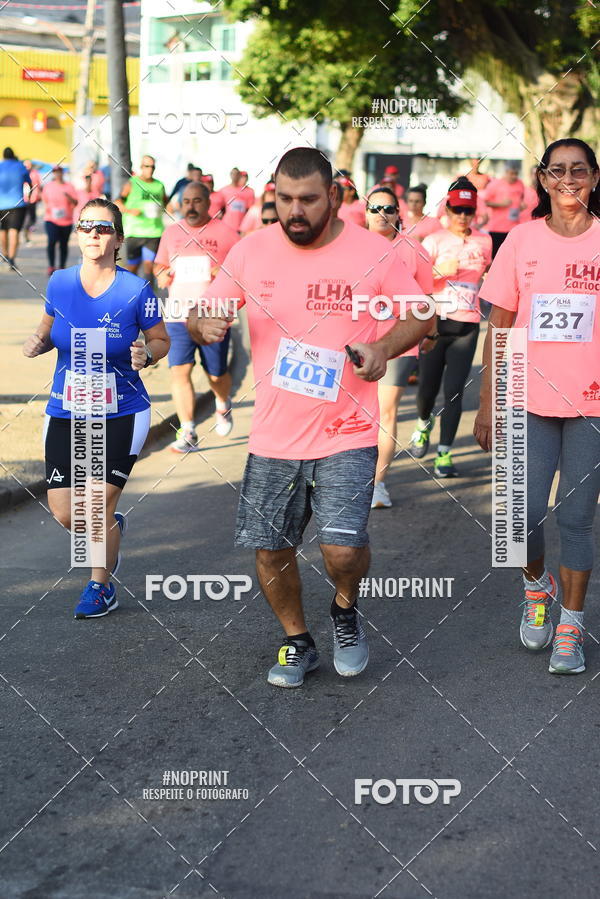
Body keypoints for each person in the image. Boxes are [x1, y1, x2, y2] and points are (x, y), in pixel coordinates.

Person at [188, 147, 429, 688]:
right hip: (275, 434)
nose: (295, 211)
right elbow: (206, 307)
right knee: (272, 547)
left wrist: (382, 347)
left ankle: (345, 610)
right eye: (285, 198)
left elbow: (421, 312)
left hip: (348, 427)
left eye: (308, 200)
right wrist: (204, 324)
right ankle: (297, 640)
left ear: (336, 198)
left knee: (343, 549)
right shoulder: (251, 252)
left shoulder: (374, 251)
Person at [474, 138, 600, 675]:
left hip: (593, 404)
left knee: (576, 519)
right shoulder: (521, 241)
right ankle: (535, 587)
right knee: (517, 519)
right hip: (528, 396)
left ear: (595, 177)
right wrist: (486, 401)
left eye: (579, 170)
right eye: (557, 171)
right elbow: (499, 324)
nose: (568, 179)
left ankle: (570, 626)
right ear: (543, 180)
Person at [22, 198, 169, 618]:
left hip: (122, 409)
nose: (93, 233)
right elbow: (50, 328)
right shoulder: (59, 282)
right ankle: (112, 530)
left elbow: (161, 339)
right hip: (68, 410)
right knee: (68, 513)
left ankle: (99, 586)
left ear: (119, 238)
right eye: (86, 226)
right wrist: (38, 342)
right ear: (77, 233)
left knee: (95, 505)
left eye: (103, 228)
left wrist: (148, 353)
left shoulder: (135, 288)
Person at [409, 177, 492, 477]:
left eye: (468, 211)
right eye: (457, 210)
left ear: (474, 211)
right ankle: (422, 423)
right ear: (447, 208)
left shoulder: (484, 240)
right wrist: (437, 272)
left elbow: (488, 273)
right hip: (435, 325)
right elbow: (414, 284)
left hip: (467, 327)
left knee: (454, 393)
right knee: (426, 391)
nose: (462, 217)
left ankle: (444, 454)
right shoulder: (433, 241)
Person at [153, 182, 239, 450]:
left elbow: (241, 272)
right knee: (180, 370)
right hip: (178, 313)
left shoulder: (226, 234)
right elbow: (159, 266)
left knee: (215, 375)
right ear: (180, 203)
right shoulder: (171, 232)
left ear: (208, 203)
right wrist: (162, 274)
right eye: (186, 201)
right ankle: (188, 431)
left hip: (213, 314)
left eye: (197, 201)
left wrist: (222, 273)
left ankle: (223, 404)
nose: (191, 206)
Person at [365, 186, 435, 509]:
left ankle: (377, 484)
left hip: (397, 342)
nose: (382, 214)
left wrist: (429, 333)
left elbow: (427, 299)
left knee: (385, 411)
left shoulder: (414, 250)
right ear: (365, 213)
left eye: (389, 209)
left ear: (399, 215)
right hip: (352, 341)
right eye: (375, 208)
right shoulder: (349, 246)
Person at [118, 155, 167, 281]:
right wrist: (129, 210)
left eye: (152, 167)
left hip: (154, 231)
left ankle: (148, 296)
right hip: (135, 231)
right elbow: (118, 202)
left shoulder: (159, 185)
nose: (150, 169)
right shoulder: (132, 183)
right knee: (133, 267)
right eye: (146, 166)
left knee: (149, 266)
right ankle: (130, 293)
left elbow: (166, 203)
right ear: (141, 167)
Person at [41, 165, 78, 275]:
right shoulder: (48, 186)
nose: (57, 174)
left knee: (63, 244)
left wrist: (68, 197)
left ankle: (62, 266)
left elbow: (76, 203)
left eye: (59, 172)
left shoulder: (69, 187)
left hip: (66, 221)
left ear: (62, 173)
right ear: (53, 173)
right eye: (55, 172)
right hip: (51, 219)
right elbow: (44, 200)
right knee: (51, 241)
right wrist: (47, 209)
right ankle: (51, 266)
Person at [483, 162, 525, 257]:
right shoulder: (495, 184)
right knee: (497, 257)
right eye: (511, 173)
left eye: (516, 174)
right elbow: (484, 202)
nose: (514, 176)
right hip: (497, 229)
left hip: (514, 227)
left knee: (513, 257)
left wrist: (521, 205)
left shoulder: (520, 183)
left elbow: (521, 198)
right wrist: (500, 204)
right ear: (506, 172)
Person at [0, 147, 31, 270]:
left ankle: (5, 255)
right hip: (18, 204)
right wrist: (29, 198)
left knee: (3, 231)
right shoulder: (20, 166)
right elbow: (29, 184)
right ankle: (12, 259)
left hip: (1, 205)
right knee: (14, 231)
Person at [22, 159, 42, 244]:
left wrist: (40, 195)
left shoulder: (35, 173)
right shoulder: (22, 173)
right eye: (26, 165)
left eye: (29, 164)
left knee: (32, 218)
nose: (27, 166)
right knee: (27, 218)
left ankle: (28, 234)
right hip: (24, 199)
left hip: (33, 199)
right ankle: (26, 236)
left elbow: (39, 185)